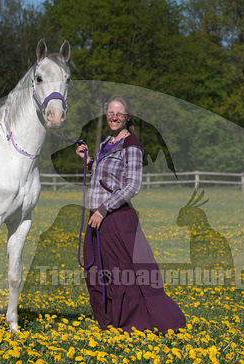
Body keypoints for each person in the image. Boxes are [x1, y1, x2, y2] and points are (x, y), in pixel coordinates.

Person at [76, 95, 186, 334]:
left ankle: (136, 322)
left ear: (127, 118)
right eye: (111, 113)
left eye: (119, 114)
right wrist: (89, 161)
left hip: (115, 219)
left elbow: (132, 185)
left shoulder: (132, 145)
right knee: (98, 273)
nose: (114, 117)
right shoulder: (107, 141)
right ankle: (110, 320)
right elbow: (106, 176)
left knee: (123, 274)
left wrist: (104, 209)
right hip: (97, 219)